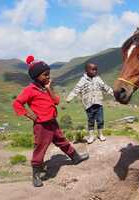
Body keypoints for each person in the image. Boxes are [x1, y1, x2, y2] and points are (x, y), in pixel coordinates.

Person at [12, 55, 89, 187]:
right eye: (45, 75)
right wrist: (30, 115)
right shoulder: (29, 90)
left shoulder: (45, 88)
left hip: (52, 122)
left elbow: (57, 101)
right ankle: (36, 173)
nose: (48, 77)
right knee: (41, 147)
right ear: (36, 76)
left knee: (62, 140)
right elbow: (17, 104)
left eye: (48, 74)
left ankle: (75, 157)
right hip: (42, 125)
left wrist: (49, 88)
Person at [66, 63, 114, 144]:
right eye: (92, 69)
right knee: (91, 121)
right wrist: (69, 98)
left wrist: (113, 93)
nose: (95, 71)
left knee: (100, 120)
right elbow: (76, 89)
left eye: (96, 69)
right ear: (86, 70)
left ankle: (100, 134)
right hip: (89, 105)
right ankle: (91, 136)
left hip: (98, 103)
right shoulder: (82, 80)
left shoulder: (98, 79)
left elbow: (104, 87)